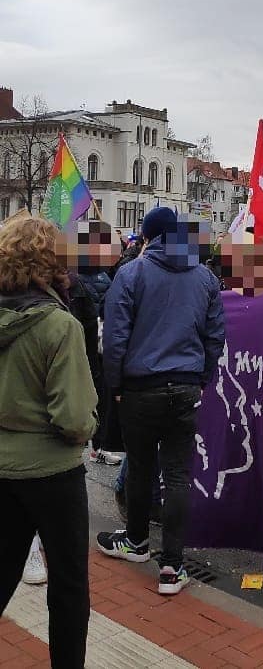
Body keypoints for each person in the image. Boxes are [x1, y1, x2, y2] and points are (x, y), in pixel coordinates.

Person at [97, 208, 225, 595]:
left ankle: (136, 542)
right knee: (177, 475)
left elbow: (115, 337)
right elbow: (214, 335)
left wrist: (115, 386)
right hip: (185, 387)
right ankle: (172, 565)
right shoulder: (204, 276)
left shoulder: (131, 273)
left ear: (149, 237)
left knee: (140, 468)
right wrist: (202, 378)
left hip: (139, 386)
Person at [0, 216, 99, 668]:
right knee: (68, 586)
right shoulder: (59, 325)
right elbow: (74, 417)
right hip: (53, 473)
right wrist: (90, 428)